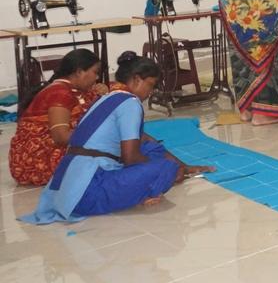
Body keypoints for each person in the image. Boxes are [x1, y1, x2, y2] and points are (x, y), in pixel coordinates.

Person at [19, 52, 213, 224]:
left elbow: (145, 141)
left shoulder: (106, 97)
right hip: (85, 194)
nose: (151, 92)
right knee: (166, 168)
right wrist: (168, 169)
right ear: (137, 79)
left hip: (64, 187)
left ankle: (150, 180)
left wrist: (184, 166)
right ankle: (144, 191)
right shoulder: (130, 103)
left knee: (152, 150)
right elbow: (130, 158)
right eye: (151, 85)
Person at [8, 49, 106, 186]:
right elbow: (61, 137)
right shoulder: (60, 93)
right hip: (36, 159)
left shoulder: (74, 90)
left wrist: (102, 94)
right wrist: (99, 136)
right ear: (79, 72)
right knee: (106, 152)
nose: (96, 78)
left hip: (50, 150)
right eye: (95, 72)